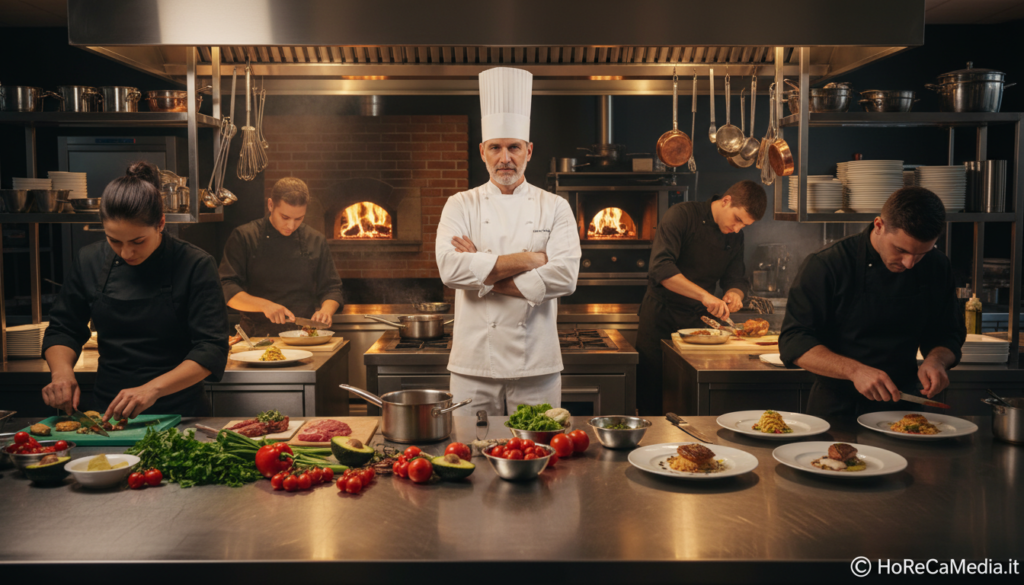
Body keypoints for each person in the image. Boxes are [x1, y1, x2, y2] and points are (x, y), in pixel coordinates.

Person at [436, 67, 581, 416]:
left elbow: (565, 278)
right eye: (496, 148)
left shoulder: (555, 206)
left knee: (539, 445)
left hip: (537, 364)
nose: (505, 158)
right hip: (473, 364)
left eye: (514, 147)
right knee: (468, 445)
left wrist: (482, 272)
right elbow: (450, 270)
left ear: (528, 151)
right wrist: (531, 260)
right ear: (482, 151)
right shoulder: (460, 204)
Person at [41, 161, 229, 420]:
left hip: (180, 413)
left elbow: (212, 348)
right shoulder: (89, 260)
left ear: (160, 223)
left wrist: (152, 389)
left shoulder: (195, 264)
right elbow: (64, 328)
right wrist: (61, 373)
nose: (126, 252)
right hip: (108, 413)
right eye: (114, 240)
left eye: (138, 241)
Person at [779, 187, 966, 417]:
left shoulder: (937, 266)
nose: (909, 263)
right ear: (879, 225)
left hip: (904, 407)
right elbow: (794, 340)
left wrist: (937, 361)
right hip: (837, 408)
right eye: (900, 250)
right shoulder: (828, 264)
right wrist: (854, 371)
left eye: (921, 254)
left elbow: (949, 332)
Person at [634, 181, 767, 415]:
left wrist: (734, 294)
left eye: (744, 225)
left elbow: (736, 278)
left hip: (699, 327)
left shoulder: (735, 236)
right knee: (652, 398)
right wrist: (705, 296)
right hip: (660, 319)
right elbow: (661, 269)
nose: (737, 228)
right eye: (737, 219)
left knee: (691, 401)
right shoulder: (682, 216)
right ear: (726, 201)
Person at [219, 177, 344, 336]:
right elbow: (226, 287)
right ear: (271, 205)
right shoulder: (245, 236)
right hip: (256, 336)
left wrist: (326, 311)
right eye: (285, 217)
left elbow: (332, 288)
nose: (291, 226)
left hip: (304, 335)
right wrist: (265, 306)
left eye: (299, 218)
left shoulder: (316, 240)